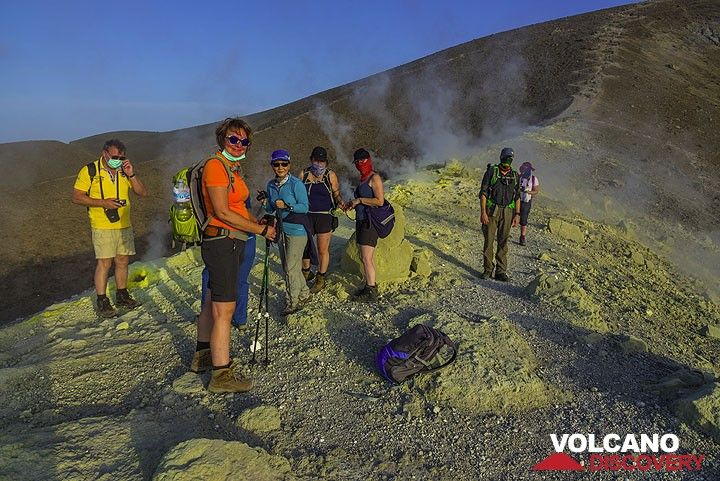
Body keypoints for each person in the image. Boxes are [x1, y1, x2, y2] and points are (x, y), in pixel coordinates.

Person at [192, 117, 276, 394]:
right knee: (224, 310)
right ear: (222, 139)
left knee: (211, 301)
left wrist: (258, 222)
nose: (239, 145)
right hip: (223, 242)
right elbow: (222, 212)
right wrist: (260, 231)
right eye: (233, 139)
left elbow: (237, 208)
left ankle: (203, 356)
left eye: (244, 141)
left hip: (227, 240)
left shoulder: (231, 168)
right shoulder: (216, 167)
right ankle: (221, 374)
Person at [72, 139, 148, 318]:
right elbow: (76, 197)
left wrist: (132, 174)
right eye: (115, 157)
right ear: (104, 153)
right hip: (101, 224)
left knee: (122, 260)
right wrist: (103, 203)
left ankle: (122, 295)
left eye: (122, 157)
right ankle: (102, 301)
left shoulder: (124, 170)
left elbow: (143, 193)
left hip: (124, 223)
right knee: (104, 263)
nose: (118, 160)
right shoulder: (90, 171)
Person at [263, 149, 312, 315]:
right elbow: (271, 208)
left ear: (289, 165)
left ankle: (293, 303)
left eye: (284, 164)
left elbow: (304, 207)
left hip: (298, 230)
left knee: (290, 269)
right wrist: (264, 203)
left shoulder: (296, 184)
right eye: (277, 164)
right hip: (282, 229)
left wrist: (287, 206)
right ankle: (305, 293)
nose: (280, 167)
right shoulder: (271, 185)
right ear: (272, 166)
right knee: (288, 267)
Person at [200, 197, 256, 328]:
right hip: (246, 237)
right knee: (240, 279)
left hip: (224, 239)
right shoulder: (238, 187)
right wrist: (259, 226)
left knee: (210, 276)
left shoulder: (216, 186)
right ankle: (239, 318)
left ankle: (209, 314)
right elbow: (247, 214)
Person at [300, 146, 345, 293]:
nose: (319, 164)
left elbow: (336, 192)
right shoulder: (304, 174)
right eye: (316, 160)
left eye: (322, 161)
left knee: (322, 249)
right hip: (307, 214)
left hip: (325, 215)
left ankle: (321, 278)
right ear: (311, 159)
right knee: (305, 246)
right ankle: (306, 272)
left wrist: (340, 201)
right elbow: (297, 193)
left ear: (326, 162)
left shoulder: (330, 175)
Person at [345, 148, 385, 302]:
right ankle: (368, 285)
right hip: (362, 220)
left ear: (369, 160)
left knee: (367, 258)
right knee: (364, 257)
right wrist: (353, 204)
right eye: (357, 161)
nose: (360, 164)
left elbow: (379, 201)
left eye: (363, 160)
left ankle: (372, 291)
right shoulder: (363, 179)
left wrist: (360, 200)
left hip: (370, 222)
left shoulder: (374, 178)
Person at [479, 147, 521, 282]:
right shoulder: (492, 172)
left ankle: (501, 271)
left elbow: (517, 196)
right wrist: (483, 212)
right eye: (505, 158)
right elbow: (483, 193)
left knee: (503, 241)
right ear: (501, 158)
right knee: (489, 241)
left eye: (510, 159)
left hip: (508, 211)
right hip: (492, 210)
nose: (507, 161)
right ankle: (487, 270)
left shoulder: (515, 176)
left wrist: (517, 214)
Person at [518, 161, 540, 246]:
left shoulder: (534, 179)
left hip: (526, 201)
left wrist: (528, 192)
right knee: (511, 216)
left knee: (523, 220)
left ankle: (522, 236)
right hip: (517, 199)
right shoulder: (519, 177)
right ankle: (505, 233)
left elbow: (536, 191)